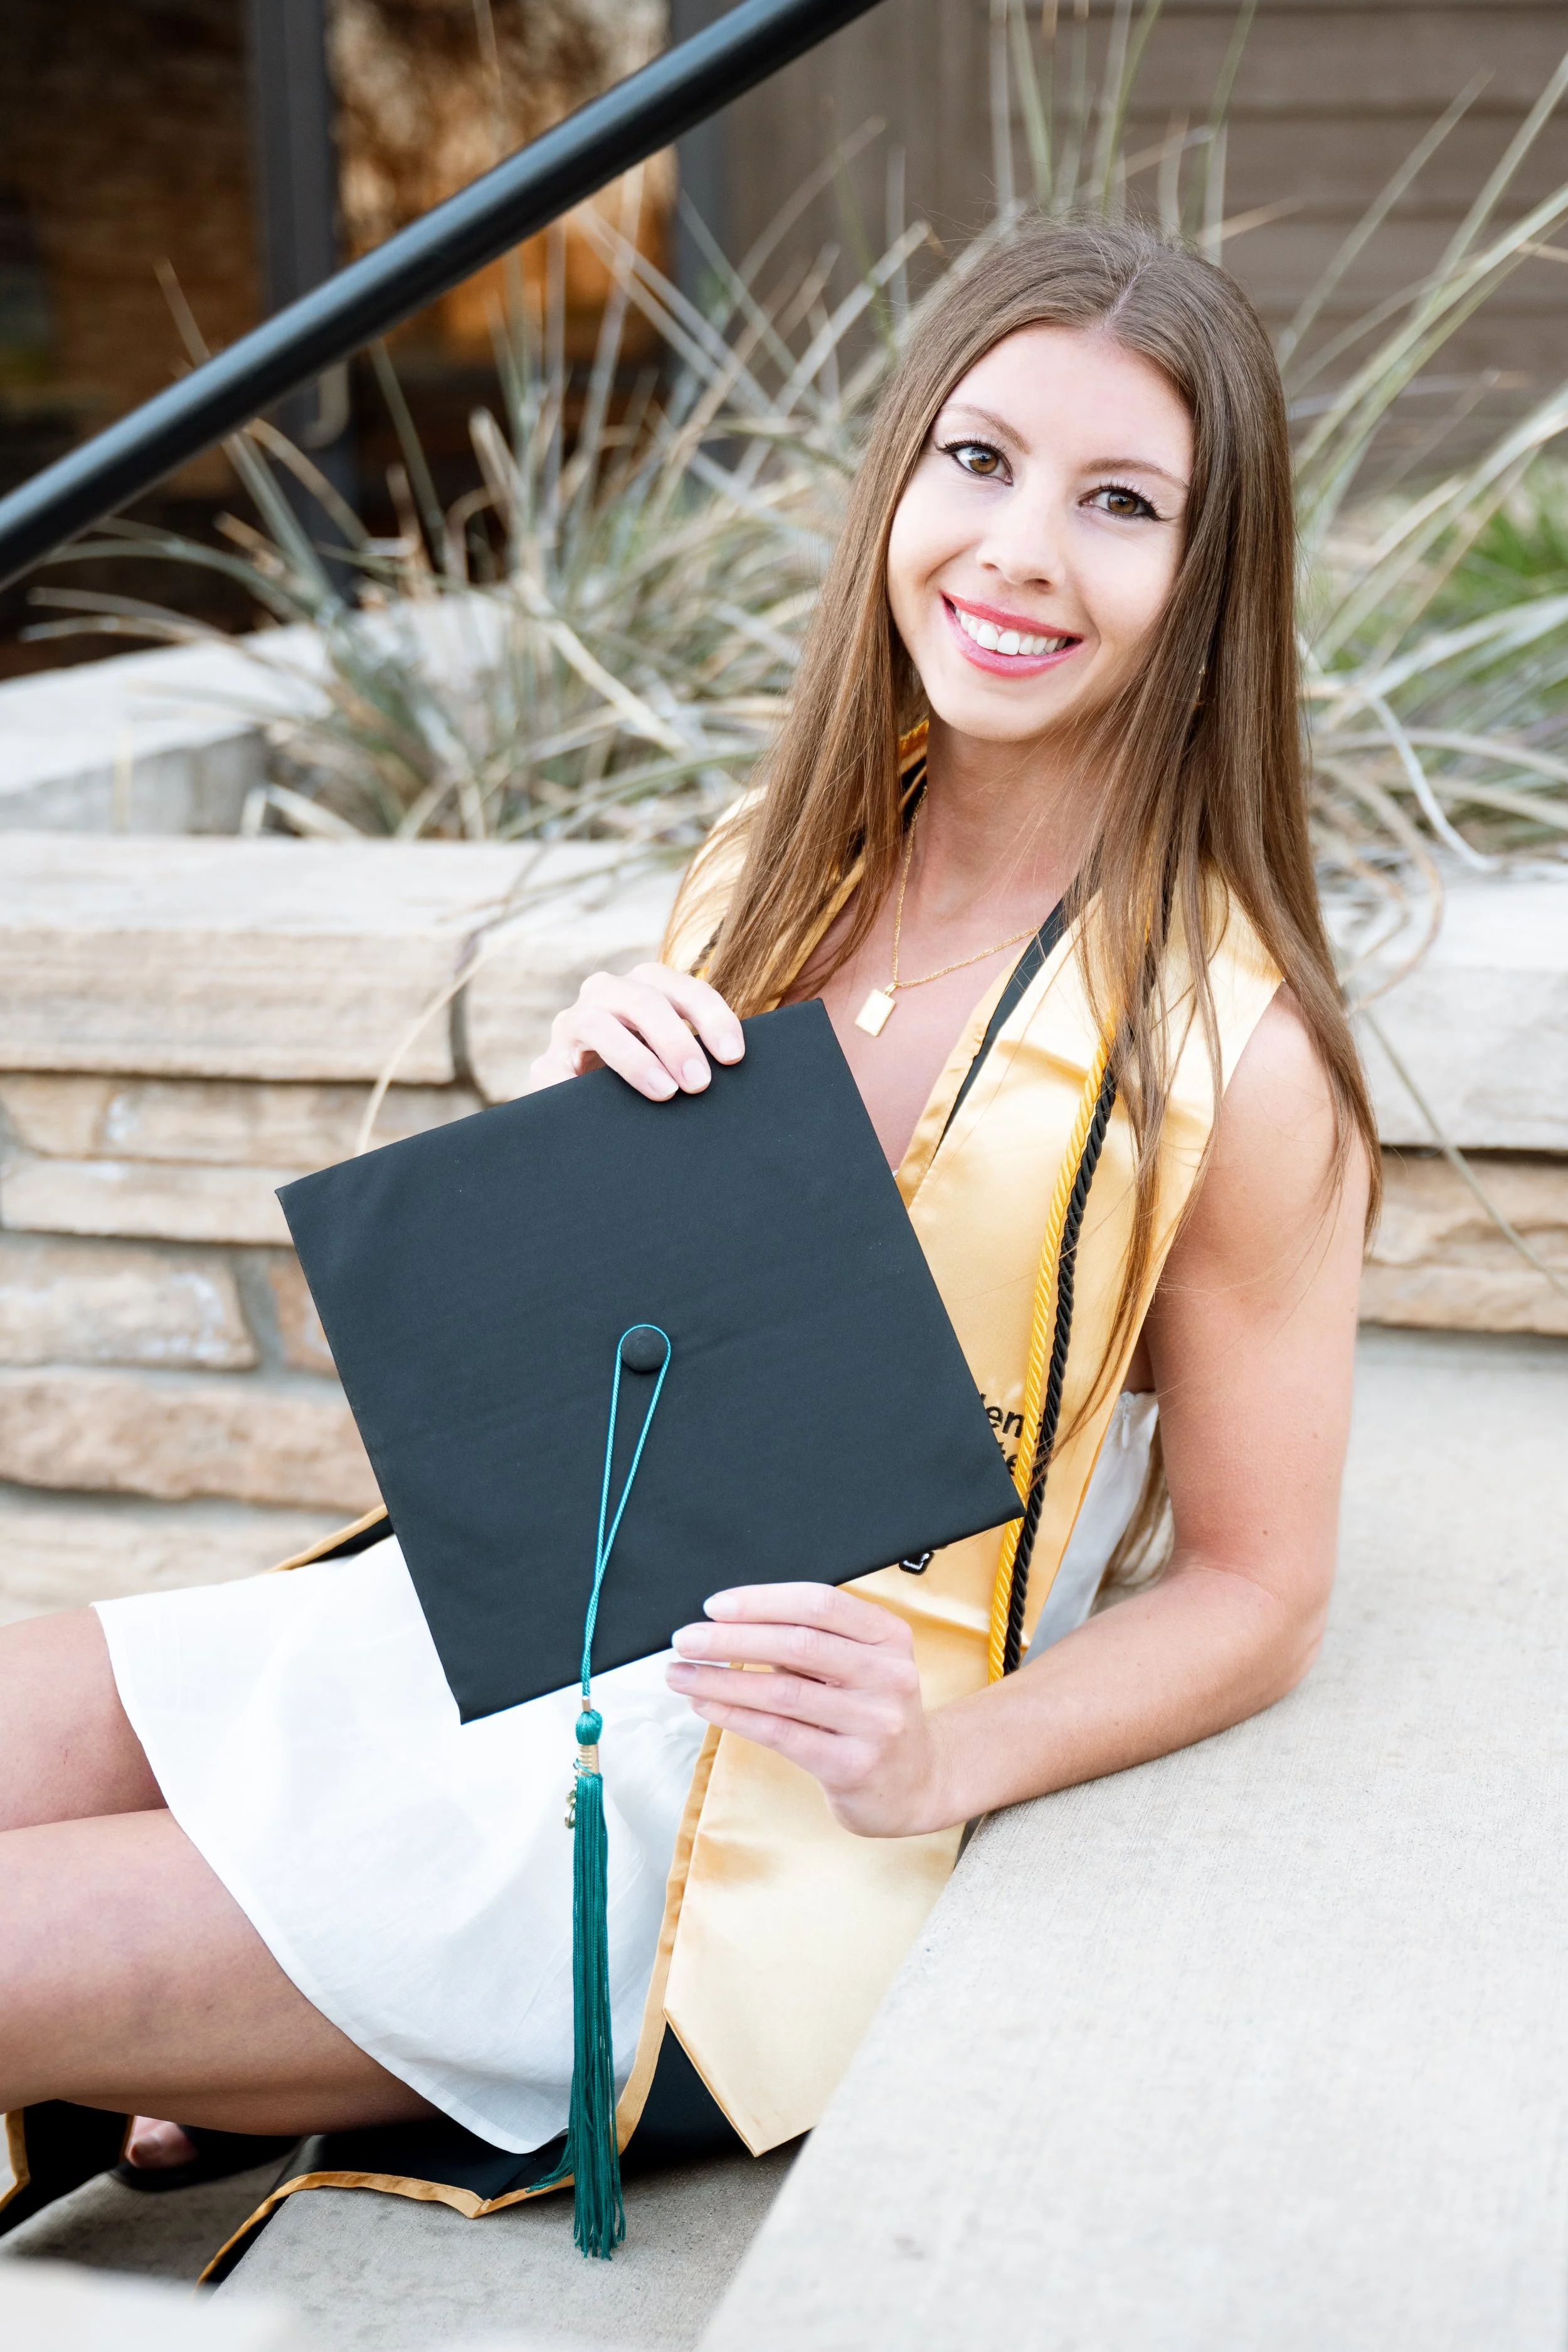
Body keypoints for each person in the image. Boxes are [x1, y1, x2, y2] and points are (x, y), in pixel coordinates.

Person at [0, 221, 1372, 2228]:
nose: (1015, 553)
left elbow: (1259, 1587)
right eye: (976, 461)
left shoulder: (1230, 1052)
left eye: (1119, 503)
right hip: (518, 1628)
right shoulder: (771, 867)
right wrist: (595, 1122)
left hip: (730, 1803)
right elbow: (637, 1360)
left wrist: (939, 1758)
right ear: (898, 474)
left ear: (1204, 580)